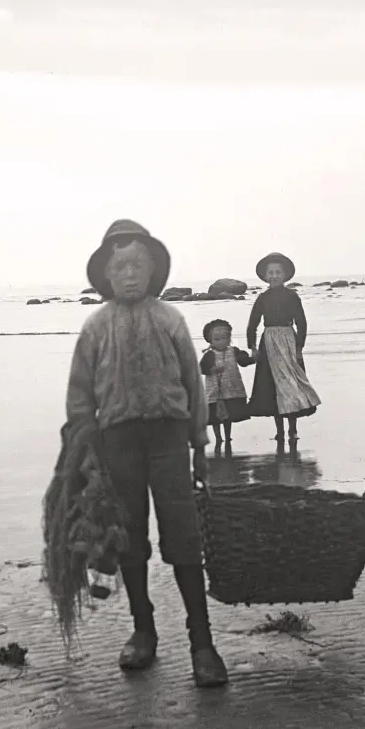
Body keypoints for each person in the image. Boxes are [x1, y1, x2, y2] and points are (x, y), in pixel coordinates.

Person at [60, 219, 228, 687]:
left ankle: (202, 642)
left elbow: (194, 387)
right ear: (107, 277)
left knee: (184, 536)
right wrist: (85, 451)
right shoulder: (94, 328)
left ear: (153, 272)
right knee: (128, 536)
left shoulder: (170, 319)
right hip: (118, 444)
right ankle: (143, 629)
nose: (130, 275)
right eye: (121, 268)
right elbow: (79, 397)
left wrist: (199, 444)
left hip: (169, 439)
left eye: (139, 266)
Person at [246, 252, 321, 446]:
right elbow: (252, 324)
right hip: (269, 342)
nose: (274, 275)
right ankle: (279, 431)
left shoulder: (292, 296)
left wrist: (299, 347)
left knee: (292, 386)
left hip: (288, 341)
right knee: (272, 387)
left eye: (278, 272)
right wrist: (253, 347)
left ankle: (293, 429)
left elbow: (302, 323)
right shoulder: (262, 298)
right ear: (265, 275)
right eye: (270, 272)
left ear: (285, 274)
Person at [199, 319, 255, 450]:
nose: (221, 342)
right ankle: (218, 436)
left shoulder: (234, 351)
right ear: (210, 341)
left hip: (231, 388)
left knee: (228, 414)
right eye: (217, 339)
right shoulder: (209, 355)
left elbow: (244, 361)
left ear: (229, 338)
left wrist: (254, 359)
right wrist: (212, 370)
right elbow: (201, 369)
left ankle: (228, 435)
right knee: (215, 416)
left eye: (224, 338)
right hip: (214, 390)